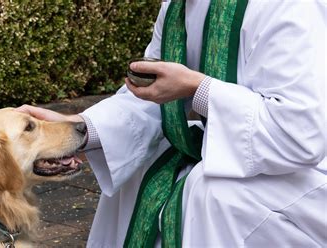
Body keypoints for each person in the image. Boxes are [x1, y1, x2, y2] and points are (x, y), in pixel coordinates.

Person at [18, 1, 326, 247]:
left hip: (309, 175)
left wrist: (198, 89)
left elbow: (301, 134)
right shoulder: (177, 8)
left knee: (210, 190)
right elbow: (151, 97)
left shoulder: (289, 6)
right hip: (253, 151)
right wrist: (79, 127)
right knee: (142, 170)